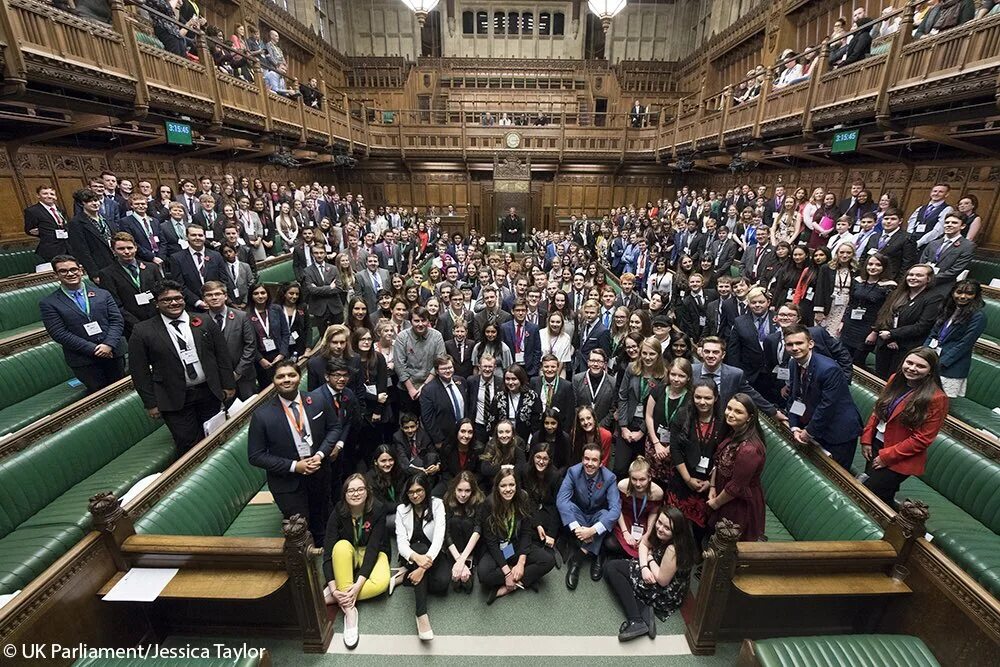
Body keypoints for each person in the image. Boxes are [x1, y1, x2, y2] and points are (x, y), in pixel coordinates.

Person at [129, 279, 236, 453]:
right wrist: (151, 403)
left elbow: (222, 355)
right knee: (189, 446)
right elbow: (139, 372)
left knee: (216, 437)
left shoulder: (204, 321)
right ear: (157, 303)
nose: (173, 302)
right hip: (174, 398)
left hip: (209, 392)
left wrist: (229, 384)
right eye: (166, 300)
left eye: (177, 298)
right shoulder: (142, 331)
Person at [247, 360, 340, 545]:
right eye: (280, 376)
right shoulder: (262, 416)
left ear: (299, 377)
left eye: (291, 375)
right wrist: (294, 466)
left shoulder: (318, 400)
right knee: (300, 532)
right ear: (273, 381)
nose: (286, 379)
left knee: (323, 522)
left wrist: (320, 454)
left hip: (319, 473)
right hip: (288, 484)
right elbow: (255, 455)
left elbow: (334, 428)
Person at [861, 347, 947, 506]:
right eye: (909, 362)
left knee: (870, 494)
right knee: (882, 495)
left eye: (920, 366)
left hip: (899, 456)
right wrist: (866, 439)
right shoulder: (895, 379)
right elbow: (878, 409)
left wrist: (887, 456)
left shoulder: (937, 398)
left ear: (930, 371)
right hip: (876, 443)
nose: (912, 368)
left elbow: (922, 439)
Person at [604, 506, 696, 642]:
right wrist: (644, 567)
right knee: (612, 568)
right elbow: (644, 545)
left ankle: (636, 620)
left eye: (667, 528)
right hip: (654, 568)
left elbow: (662, 580)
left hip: (665, 590)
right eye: (660, 522)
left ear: (676, 532)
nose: (660, 528)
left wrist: (650, 558)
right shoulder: (658, 527)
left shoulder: (673, 549)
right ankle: (644, 609)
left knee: (612, 568)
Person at [40, 254, 127, 394]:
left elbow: (116, 320)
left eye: (73, 269)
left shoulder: (103, 294)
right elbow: (59, 333)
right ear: (56, 275)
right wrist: (95, 349)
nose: (70, 273)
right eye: (63, 271)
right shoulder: (49, 303)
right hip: (84, 360)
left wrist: (108, 344)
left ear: (81, 270)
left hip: (113, 352)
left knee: (123, 393)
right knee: (101, 398)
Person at [323, 473, 391, 650]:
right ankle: (350, 612)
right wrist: (332, 586)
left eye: (360, 489)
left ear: (367, 491)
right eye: (350, 490)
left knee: (381, 584)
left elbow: (373, 549)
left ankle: (336, 598)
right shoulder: (338, 511)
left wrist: (356, 586)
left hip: (372, 552)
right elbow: (328, 553)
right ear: (344, 494)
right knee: (341, 546)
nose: (355, 493)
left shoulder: (378, 509)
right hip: (348, 552)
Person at [783, 325, 863, 470]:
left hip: (838, 433)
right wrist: (794, 426)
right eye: (790, 344)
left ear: (811, 344)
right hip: (816, 426)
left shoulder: (829, 369)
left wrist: (809, 432)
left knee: (838, 478)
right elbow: (796, 397)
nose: (794, 348)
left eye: (799, 343)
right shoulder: (793, 363)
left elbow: (827, 407)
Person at [478, 469, 556, 603]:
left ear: (517, 485)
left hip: (514, 546)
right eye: (503, 486)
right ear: (497, 487)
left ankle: (510, 587)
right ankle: (524, 580)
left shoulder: (523, 497)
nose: (508, 489)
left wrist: (521, 563)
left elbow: (526, 532)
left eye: (512, 485)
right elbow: (490, 542)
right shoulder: (489, 504)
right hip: (497, 548)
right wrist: (508, 573)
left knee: (548, 561)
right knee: (484, 575)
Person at [668, 380, 726, 545]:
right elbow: (675, 450)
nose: (702, 402)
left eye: (707, 398)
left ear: (715, 398)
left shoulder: (723, 422)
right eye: (698, 397)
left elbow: (721, 456)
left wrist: (710, 483)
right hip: (682, 477)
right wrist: (687, 479)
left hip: (708, 482)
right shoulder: (681, 415)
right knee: (677, 523)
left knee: (699, 528)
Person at [557, 442, 621, 589]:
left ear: (601, 462)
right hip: (579, 515)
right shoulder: (573, 471)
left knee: (606, 515)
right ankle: (597, 552)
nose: (589, 463)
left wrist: (592, 531)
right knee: (568, 507)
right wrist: (578, 529)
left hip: (596, 516)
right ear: (582, 459)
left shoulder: (609, 478)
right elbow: (561, 500)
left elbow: (615, 510)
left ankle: (577, 560)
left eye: (594, 460)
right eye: (586, 459)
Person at [393, 473, 449, 641]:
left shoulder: (437, 504)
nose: (415, 495)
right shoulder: (401, 510)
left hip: (433, 554)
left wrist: (422, 569)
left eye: (419, 490)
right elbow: (401, 543)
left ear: (426, 489)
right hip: (412, 554)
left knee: (442, 585)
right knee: (420, 547)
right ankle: (421, 614)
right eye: (411, 492)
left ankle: (405, 577)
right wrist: (418, 560)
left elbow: (439, 538)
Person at [707, 394, 767, 542]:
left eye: (738, 412)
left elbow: (737, 486)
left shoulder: (750, 449)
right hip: (723, 494)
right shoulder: (734, 432)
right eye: (729, 408)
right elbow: (718, 461)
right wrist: (713, 486)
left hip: (738, 504)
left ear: (749, 417)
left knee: (729, 546)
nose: (731, 414)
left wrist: (716, 503)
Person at [873, 264, 943, 380]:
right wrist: (890, 337)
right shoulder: (899, 293)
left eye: (919, 275)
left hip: (906, 349)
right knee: (879, 379)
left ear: (928, 279)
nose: (913, 277)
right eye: (911, 274)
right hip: (886, 344)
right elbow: (884, 314)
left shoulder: (934, 298)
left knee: (895, 381)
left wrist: (893, 334)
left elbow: (922, 326)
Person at [616, 336, 667, 479]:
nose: (647, 357)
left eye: (652, 354)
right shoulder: (631, 368)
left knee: (643, 472)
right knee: (620, 468)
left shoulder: (663, 376)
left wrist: (642, 431)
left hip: (648, 429)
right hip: (627, 422)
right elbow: (623, 397)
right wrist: (624, 427)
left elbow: (658, 409)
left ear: (658, 354)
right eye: (644, 353)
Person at [926, 280, 986, 398]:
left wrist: (940, 363)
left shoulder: (978, 316)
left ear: (976, 295)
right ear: (953, 292)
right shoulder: (948, 309)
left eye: (969, 293)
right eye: (959, 292)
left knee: (938, 401)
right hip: (933, 358)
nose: (963, 296)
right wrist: (925, 354)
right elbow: (933, 334)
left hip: (951, 366)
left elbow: (965, 344)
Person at [96, 232, 162, 340]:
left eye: (129, 248)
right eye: (121, 249)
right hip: (132, 326)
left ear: (136, 248)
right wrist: (137, 325)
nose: (126, 252)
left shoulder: (151, 268)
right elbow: (115, 305)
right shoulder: (107, 274)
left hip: (157, 319)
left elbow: (161, 293)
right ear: (113, 251)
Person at [203, 281, 258, 400]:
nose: (214, 297)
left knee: (251, 409)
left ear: (225, 296)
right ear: (204, 299)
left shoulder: (241, 316)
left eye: (218, 294)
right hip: (219, 380)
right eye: (209, 295)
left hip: (244, 376)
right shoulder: (200, 321)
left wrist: (238, 372)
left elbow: (251, 346)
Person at [606, 457, 663, 560]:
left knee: (649, 546)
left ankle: (624, 556)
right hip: (624, 517)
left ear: (649, 477)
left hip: (644, 520)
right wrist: (625, 532)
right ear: (630, 477)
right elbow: (617, 508)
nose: (638, 484)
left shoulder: (657, 492)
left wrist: (647, 534)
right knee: (610, 543)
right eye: (634, 479)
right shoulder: (622, 486)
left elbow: (653, 513)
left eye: (642, 479)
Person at [394, 306, 446, 414]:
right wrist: (411, 389)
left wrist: (425, 387)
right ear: (410, 321)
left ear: (428, 321)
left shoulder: (437, 336)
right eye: (416, 321)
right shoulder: (402, 337)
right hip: (407, 388)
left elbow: (439, 362)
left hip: (431, 385)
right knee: (409, 423)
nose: (420, 324)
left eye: (423, 320)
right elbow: (399, 365)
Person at [169, 225, 231, 311]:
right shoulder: (176, 258)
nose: (197, 238)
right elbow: (179, 285)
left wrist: (216, 298)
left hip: (216, 304)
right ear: (187, 237)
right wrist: (197, 302)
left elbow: (224, 279)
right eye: (193, 235)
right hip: (192, 307)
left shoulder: (216, 255)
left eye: (200, 235)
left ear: (205, 237)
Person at [443, 470, 484, 593]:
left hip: (472, 544)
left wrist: (462, 559)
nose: (463, 495)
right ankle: (463, 565)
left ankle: (469, 562)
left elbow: (478, 529)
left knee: (466, 523)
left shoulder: (480, 500)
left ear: (473, 491)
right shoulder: (447, 499)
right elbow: (446, 533)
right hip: (453, 545)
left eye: (467, 491)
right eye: (459, 490)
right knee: (454, 522)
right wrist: (459, 560)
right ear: (454, 489)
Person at [918, 211, 975, 296]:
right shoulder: (933, 243)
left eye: (954, 223)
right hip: (923, 284)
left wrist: (929, 278)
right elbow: (922, 263)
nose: (949, 225)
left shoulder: (967, 246)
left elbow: (954, 271)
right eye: (947, 222)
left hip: (943, 287)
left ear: (962, 226)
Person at [68, 188, 116, 282]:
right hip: (100, 266)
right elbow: (81, 251)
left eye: (96, 200)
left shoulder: (105, 218)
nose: (95, 203)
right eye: (89, 201)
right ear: (82, 204)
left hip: (116, 262)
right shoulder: (76, 222)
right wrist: (94, 273)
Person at [248, 284, 290, 388]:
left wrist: (282, 354)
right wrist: (260, 359)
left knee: (285, 384)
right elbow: (247, 341)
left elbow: (285, 332)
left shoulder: (276, 309)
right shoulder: (246, 314)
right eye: (256, 293)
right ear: (251, 296)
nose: (260, 296)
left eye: (263, 293)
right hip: (261, 357)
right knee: (267, 388)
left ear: (267, 294)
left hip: (279, 354)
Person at [573, 348, 618, 431]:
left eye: (599, 361)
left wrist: (599, 427)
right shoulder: (577, 379)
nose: (595, 364)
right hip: (582, 427)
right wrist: (584, 423)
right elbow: (575, 405)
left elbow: (613, 409)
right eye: (592, 360)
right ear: (588, 362)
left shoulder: (613, 382)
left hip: (604, 429)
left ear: (605, 364)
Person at [25, 184, 71, 262]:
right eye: (45, 193)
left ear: (55, 197)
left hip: (68, 247)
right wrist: (44, 232)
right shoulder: (32, 211)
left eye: (52, 194)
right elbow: (29, 230)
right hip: (51, 249)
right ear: (38, 196)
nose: (49, 196)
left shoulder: (60, 210)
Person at [366, 444, 406, 532]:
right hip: (381, 517)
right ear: (376, 462)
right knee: (405, 520)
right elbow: (381, 506)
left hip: (399, 510)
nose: (387, 464)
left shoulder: (398, 473)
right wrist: (403, 506)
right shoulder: (370, 479)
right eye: (383, 461)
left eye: (390, 460)